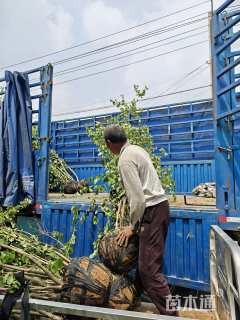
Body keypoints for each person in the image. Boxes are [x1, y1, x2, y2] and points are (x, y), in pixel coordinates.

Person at [104, 124, 177, 316]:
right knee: (143, 264)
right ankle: (133, 303)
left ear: (109, 144)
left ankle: (171, 315)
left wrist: (133, 226)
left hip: (151, 211)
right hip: (159, 208)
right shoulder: (136, 150)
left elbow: (137, 199)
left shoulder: (124, 160)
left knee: (149, 271)